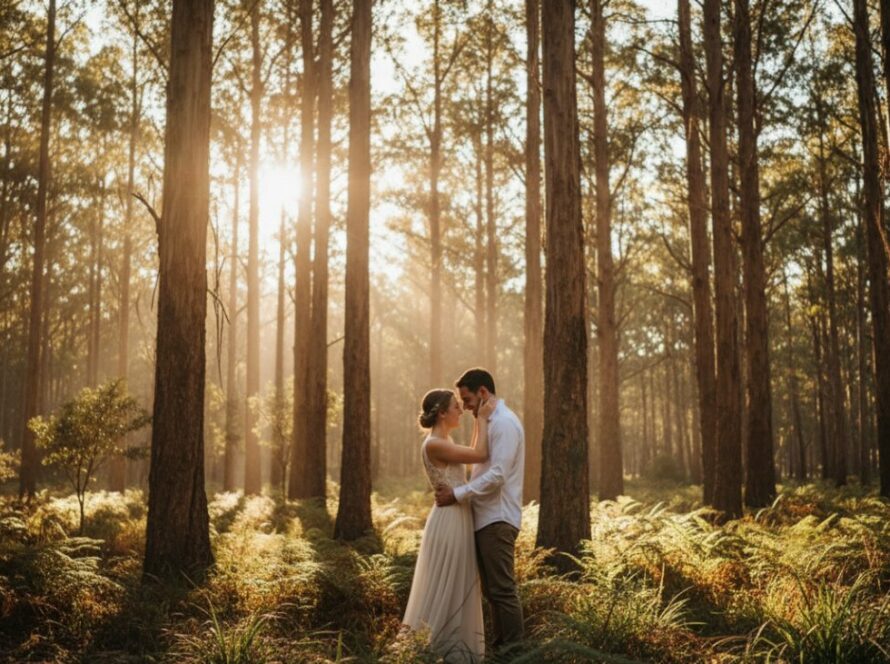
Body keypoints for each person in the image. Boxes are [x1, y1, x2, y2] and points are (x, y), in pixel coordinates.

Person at [402, 387, 496, 662]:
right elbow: (479, 454)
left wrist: (479, 419)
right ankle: (435, 650)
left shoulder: (444, 440)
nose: (460, 411)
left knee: (457, 582)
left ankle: (452, 649)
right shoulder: (434, 444)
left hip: (456, 515)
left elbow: (472, 451)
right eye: (456, 407)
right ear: (442, 413)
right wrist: (481, 416)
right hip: (449, 519)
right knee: (447, 582)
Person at [435, 368, 525, 651]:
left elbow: (497, 474)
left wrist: (457, 494)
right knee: (493, 592)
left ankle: (515, 653)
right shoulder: (489, 422)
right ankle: (501, 650)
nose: (465, 406)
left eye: (468, 399)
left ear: (483, 393)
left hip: (497, 518)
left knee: (503, 591)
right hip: (485, 518)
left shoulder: (505, 424)